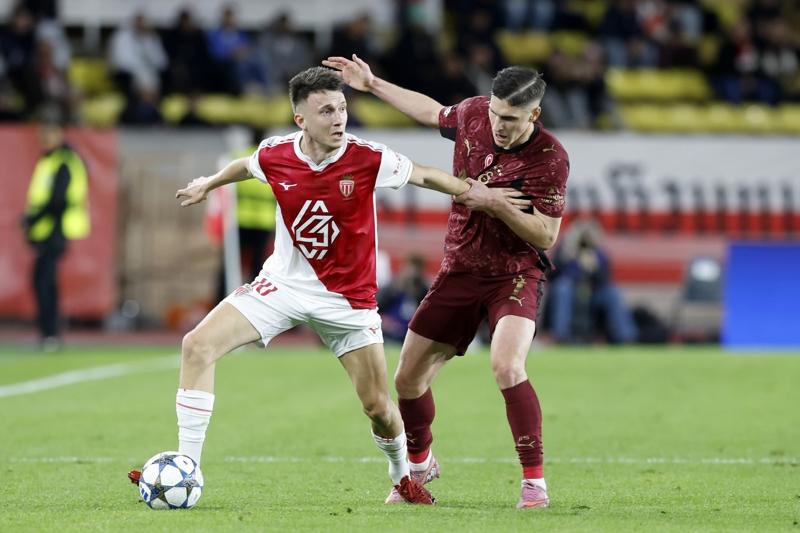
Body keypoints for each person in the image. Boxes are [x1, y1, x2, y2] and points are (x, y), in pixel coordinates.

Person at [127, 67, 528, 504]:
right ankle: (188, 469)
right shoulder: (276, 153)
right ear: (300, 119)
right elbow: (247, 165)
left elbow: (427, 176)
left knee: (378, 407)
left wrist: (481, 194)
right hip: (281, 286)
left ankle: (404, 474)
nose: (338, 119)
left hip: (347, 302)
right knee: (196, 345)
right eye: (326, 111)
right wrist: (209, 183)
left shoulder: (368, 157)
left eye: (341, 108)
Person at [323, 54, 569, 508]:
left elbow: (546, 235)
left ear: (534, 114)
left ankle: (534, 482)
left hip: (514, 274)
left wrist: (494, 202)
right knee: (407, 380)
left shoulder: (549, 158)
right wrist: (373, 85)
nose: (498, 125)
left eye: (510, 119)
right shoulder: (474, 114)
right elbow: (431, 111)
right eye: (495, 113)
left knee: (507, 366)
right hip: (460, 269)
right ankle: (421, 464)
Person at [21, 117, 90, 351]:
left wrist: (32, 219)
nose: (44, 139)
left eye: (48, 134)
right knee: (43, 281)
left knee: (45, 282)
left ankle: (50, 333)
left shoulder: (64, 161)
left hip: (54, 230)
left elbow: (58, 200)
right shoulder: (51, 159)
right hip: (46, 230)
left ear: (59, 134)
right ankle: (48, 332)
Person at [548, 223, 637, 344]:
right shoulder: (565, 251)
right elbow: (552, 275)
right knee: (562, 288)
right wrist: (570, 259)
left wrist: (594, 266)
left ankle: (625, 336)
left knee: (612, 292)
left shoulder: (599, 253)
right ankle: (559, 336)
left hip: (593, 296)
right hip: (571, 295)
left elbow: (605, 280)